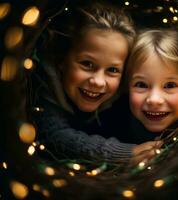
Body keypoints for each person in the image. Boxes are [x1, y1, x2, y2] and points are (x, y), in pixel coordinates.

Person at [28, 2, 161, 163]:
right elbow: (55, 136)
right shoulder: (39, 88)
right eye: (87, 64)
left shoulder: (126, 92)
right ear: (61, 60)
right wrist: (125, 153)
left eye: (112, 70)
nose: (98, 82)